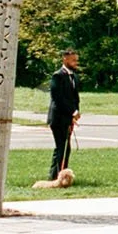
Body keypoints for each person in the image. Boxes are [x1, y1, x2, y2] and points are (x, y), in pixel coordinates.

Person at [46, 48, 80, 181]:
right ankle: (55, 177)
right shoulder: (57, 76)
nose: (75, 62)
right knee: (61, 147)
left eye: (76, 60)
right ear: (65, 59)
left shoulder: (74, 76)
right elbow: (57, 98)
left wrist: (76, 112)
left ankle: (63, 175)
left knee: (66, 148)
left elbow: (75, 97)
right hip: (58, 118)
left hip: (68, 118)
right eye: (73, 60)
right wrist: (72, 111)